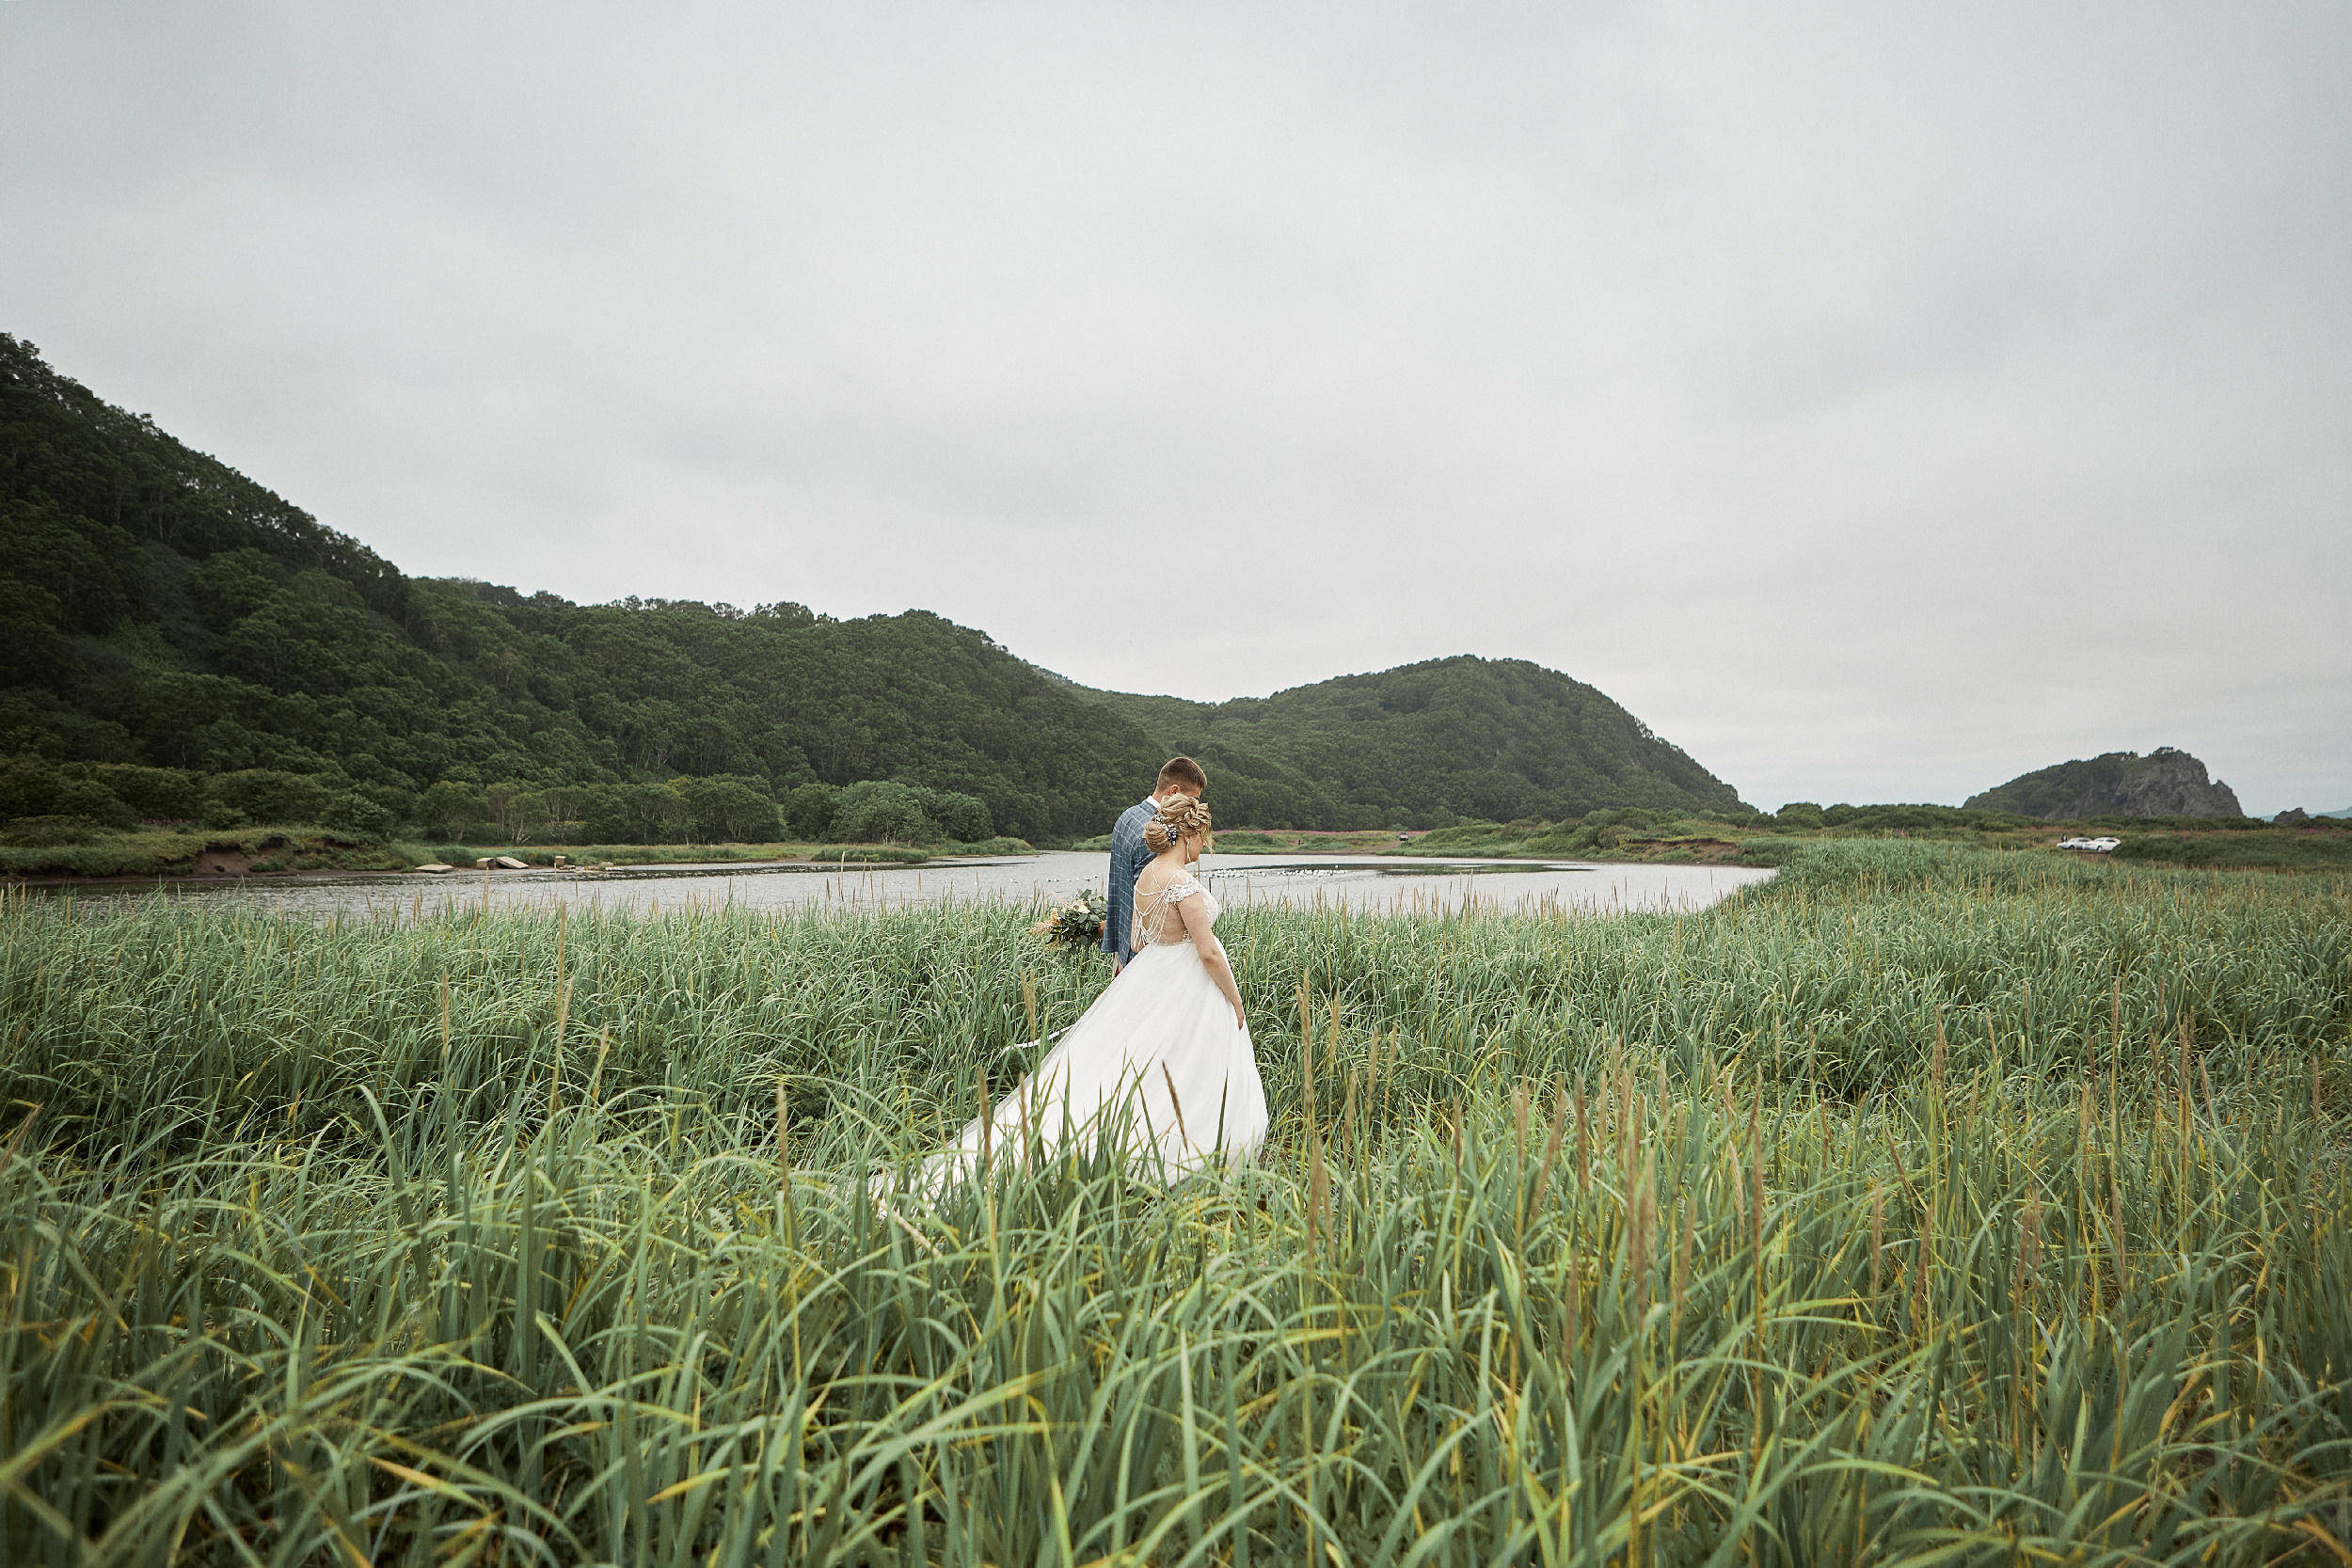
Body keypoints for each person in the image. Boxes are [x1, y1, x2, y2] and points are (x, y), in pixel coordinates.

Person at [901, 792, 1266, 1192]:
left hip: (1151, 977)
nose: (1204, 847)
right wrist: (1235, 998)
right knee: (1186, 1063)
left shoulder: (1146, 877)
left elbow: (1138, 941)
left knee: (1146, 1063)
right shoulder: (1181, 882)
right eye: (1203, 837)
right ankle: (1190, 1143)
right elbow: (1209, 952)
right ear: (1187, 834)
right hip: (1187, 983)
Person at [1104, 756, 1207, 972]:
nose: (1194, 806)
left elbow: (1119, 888)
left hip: (1122, 949)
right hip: (1144, 959)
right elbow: (1152, 912)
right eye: (1193, 798)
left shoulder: (1127, 816)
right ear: (1174, 791)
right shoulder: (1158, 837)